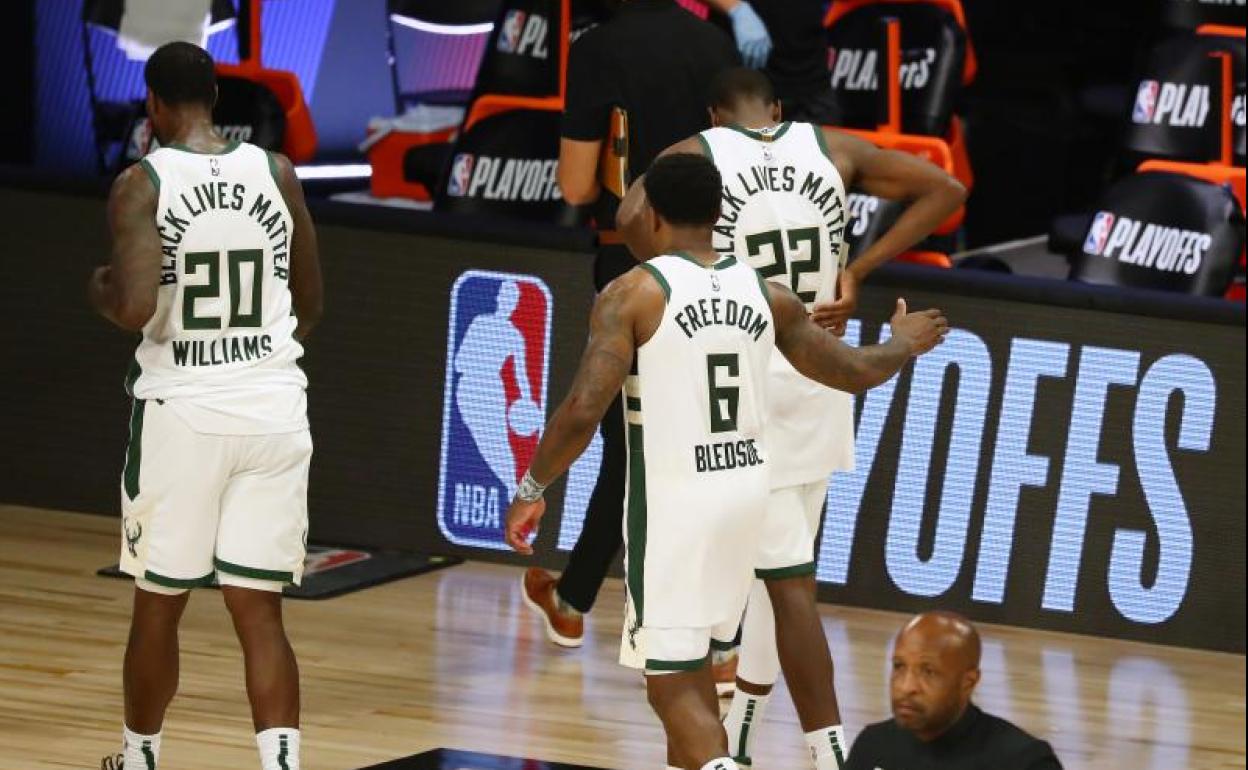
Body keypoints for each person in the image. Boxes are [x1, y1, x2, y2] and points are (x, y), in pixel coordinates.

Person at [505, 153, 949, 770]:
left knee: (671, 685)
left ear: (650, 215)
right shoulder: (768, 294)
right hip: (747, 495)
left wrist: (533, 485)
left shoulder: (632, 294)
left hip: (676, 510)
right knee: (702, 679)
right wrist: (901, 343)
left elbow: (583, 409)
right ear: (719, 214)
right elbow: (852, 373)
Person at [620, 67, 967, 769]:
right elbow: (948, 188)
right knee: (790, 575)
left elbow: (632, 222)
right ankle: (749, 732)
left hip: (742, 373)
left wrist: (685, 279)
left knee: (773, 583)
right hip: (823, 375)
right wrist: (858, 269)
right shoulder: (831, 148)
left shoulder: (697, 152)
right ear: (777, 108)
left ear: (716, 114)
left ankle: (777, 740)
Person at [88, 42, 322, 770]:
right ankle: (281, 764)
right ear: (216, 96)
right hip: (275, 409)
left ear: (153, 106)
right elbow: (308, 304)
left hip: (186, 414)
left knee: (160, 600)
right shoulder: (276, 172)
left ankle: (139, 757)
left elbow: (131, 307)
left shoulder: (142, 183)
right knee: (260, 612)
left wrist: (96, 286)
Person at [524, 0, 739, 654]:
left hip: (634, 260)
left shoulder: (596, 48)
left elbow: (576, 182)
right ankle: (592, 598)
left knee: (629, 439)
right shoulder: (716, 44)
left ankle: (593, 601)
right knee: (709, 439)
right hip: (719, 262)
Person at [845, 612, 1064, 770]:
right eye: (899, 667)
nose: (906, 687)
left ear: (968, 682)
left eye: (928, 672)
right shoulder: (873, 745)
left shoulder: (1023, 761)